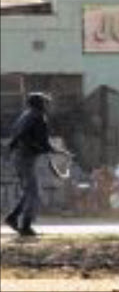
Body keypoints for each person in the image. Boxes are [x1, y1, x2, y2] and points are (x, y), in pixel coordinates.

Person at [3, 92, 70, 236]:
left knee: (29, 192)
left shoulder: (26, 115)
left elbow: (19, 136)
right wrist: (60, 151)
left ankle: (13, 218)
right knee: (33, 193)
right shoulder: (38, 117)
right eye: (45, 103)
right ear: (40, 104)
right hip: (25, 158)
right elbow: (43, 143)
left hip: (20, 157)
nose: (47, 105)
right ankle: (26, 226)